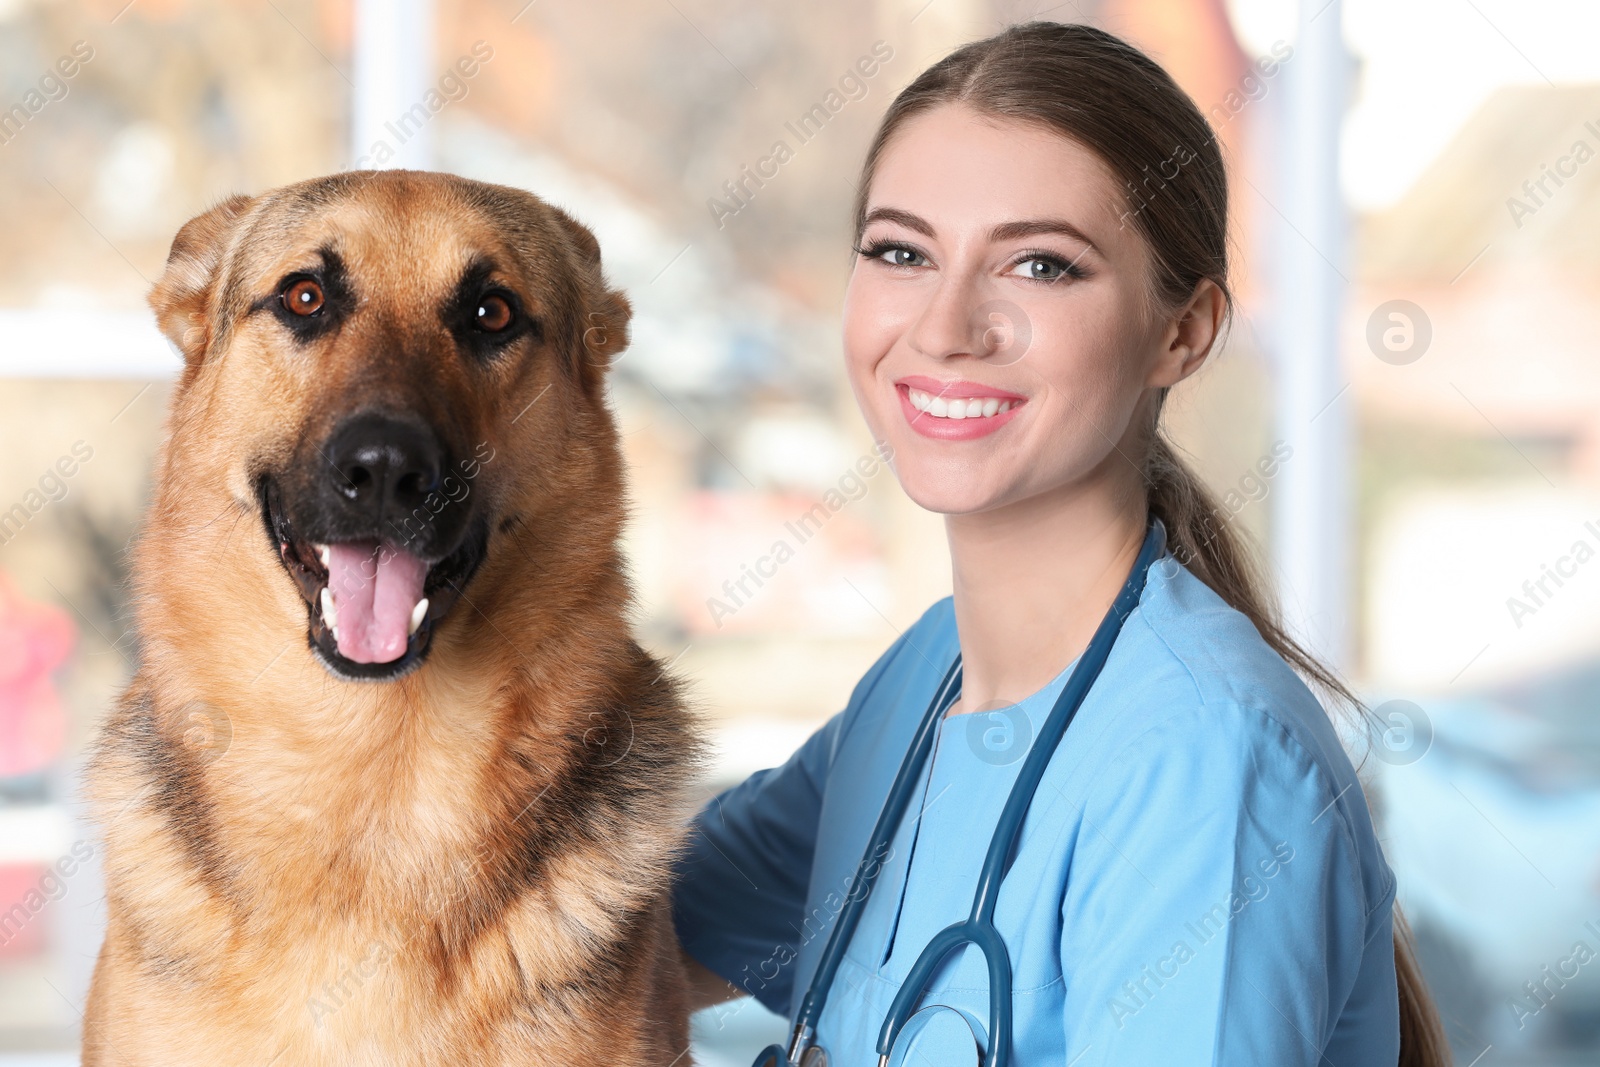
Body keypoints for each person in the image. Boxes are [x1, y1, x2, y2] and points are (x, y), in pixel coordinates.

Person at [670, 21, 1450, 1067]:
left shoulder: (1202, 765)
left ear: (1184, 331)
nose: (946, 326)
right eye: (901, 252)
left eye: (1040, 265)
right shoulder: (920, 684)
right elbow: (595, 945)